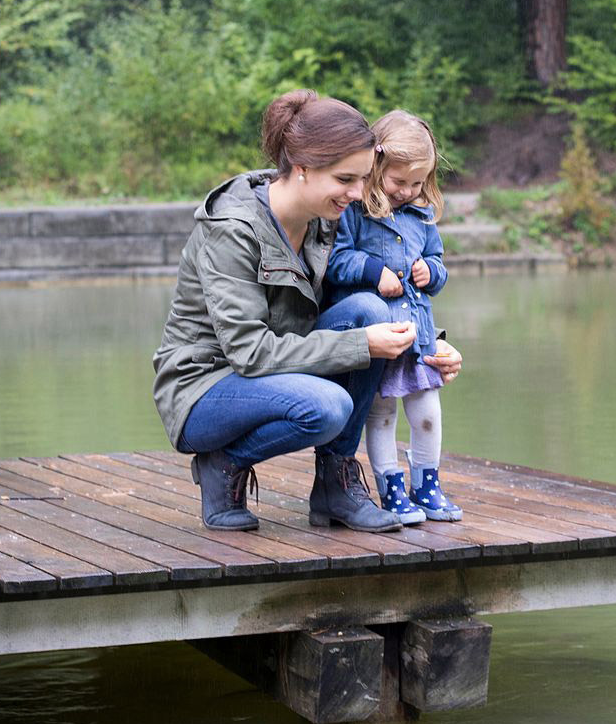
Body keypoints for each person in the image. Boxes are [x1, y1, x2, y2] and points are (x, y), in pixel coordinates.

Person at [152, 90, 463, 534]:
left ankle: (335, 485)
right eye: (346, 180)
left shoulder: (326, 215)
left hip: (280, 365)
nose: (358, 194)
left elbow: (360, 308)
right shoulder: (233, 231)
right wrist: (362, 344)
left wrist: (427, 347)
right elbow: (251, 354)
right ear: (301, 169)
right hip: (205, 387)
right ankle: (223, 462)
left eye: (362, 178)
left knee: (371, 310)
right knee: (327, 405)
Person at [324, 110, 463, 523]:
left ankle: (427, 484)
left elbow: (439, 264)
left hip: (416, 335)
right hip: (381, 334)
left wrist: (431, 272)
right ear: (377, 167)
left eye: (417, 183)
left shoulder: (422, 217)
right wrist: (374, 272)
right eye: (398, 181)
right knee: (380, 414)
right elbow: (336, 262)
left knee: (426, 411)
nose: (407, 191)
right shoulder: (356, 213)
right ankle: (390, 487)